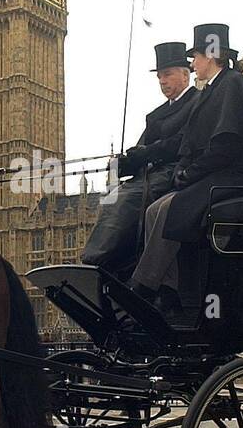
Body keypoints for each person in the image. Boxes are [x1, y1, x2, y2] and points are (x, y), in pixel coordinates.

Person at [130, 23, 243, 312]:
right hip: (214, 173)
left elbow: (226, 145)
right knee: (154, 209)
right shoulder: (212, 90)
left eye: (195, 57)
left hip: (234, 176)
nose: (193, 63)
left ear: (210, 56)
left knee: (172, 208)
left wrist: (191, 173)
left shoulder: (234, 83)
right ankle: (168, 287)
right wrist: (184, 170)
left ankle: (145, 283)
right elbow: (192, 141)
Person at [80, 42, 197, 275]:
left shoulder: (197, 103)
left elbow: (183, 142)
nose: (163, 81)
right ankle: (111, 263)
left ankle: (96, 262)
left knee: (127, 199)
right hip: (149, 172)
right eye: (160, 77)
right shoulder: (156, 115)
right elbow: (142, 147)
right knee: (114, 197)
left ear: (185, 75)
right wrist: (126, 161)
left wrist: (148, 153)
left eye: (168, 75)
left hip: (175, 171)